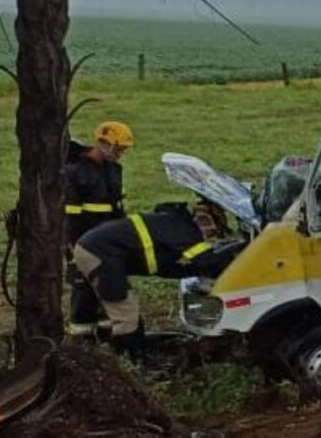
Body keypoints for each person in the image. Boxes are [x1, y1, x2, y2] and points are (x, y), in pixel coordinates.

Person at [71, 201, 234, 359]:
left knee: (113, 309)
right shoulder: (184, 231)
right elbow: (208, 260)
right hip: (100, 254)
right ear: (205, 221)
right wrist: (235, 259)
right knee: (125, 311)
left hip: (95, 248)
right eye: (213, 232)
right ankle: (133, 360)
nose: (209, 237)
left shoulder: (172, 222)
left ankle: (116, 346)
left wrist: (194, 270)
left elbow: (164, 266)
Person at [64, 121, 134, 337]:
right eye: (119, 148)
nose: (120, 154)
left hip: (109, 240)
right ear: (104, 143)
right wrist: (71, 247)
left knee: (108, 283)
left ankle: (106, 331)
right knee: (83, 286)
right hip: (82, 239)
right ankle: (81, 334)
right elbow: (70, 216)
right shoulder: (75, 172)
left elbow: (117, 208)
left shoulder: (113, 170)